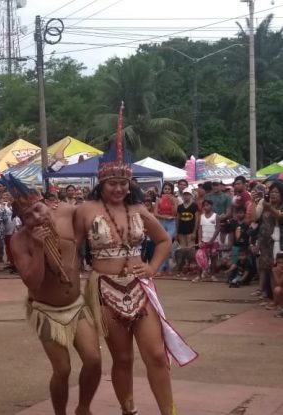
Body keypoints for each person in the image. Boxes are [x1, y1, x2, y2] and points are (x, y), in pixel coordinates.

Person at [74, 115, 197, 415]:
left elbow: (164, 241)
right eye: (111, 183)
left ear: (130, 183)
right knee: (124, 359)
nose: (118, 188)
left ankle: (169, 412)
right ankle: (128, 410)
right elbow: (73, 250)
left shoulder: (138, 208)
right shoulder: (85, 210)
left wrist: (153, 267)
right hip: (104, 290)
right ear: (100, 183)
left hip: (140, 288)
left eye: (122, 183)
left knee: (155, 354)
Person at [11, 186, 100, 415]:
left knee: (93, 360)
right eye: (28, 216)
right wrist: (39, 248)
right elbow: (32, 282)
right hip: (46, 310)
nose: (37, 217)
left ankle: (84, 408)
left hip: (76, 305)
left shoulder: (69, 214)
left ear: (47, 202)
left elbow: (95, 214)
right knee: (62, 369)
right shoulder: (19, 241)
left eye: (38, 209)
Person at [154, 182, 178, 275]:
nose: (167, 190)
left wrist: (172, 203)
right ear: (162, 190)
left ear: (171, 190)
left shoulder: (174, 199)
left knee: (166, 245)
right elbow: (155, 214)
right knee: (164, 246)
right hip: (161, 222)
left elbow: (174, 213)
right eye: (165, 189)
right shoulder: (158, 199)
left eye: (169, 189)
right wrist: (165, 217)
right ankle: (166, 268)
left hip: (171, 223)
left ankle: (161, 269)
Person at [195, 200, 220, 282]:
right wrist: (199, 240)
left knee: (213, 259)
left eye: (208, 205)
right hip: (204, 241)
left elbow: (217, 229)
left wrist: (212, 240)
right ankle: (199, 276)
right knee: (200, 257)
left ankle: (213, 275)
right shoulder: (201, 217)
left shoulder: (216, 216)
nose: (206, 207)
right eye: (204, 205)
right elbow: (200, 229)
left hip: (213, 241)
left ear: (211, 206)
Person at [175, 190, 198, 276]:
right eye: (184, 195)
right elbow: (177, 219)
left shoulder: (194, 206)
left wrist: (194, 232)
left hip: (191, 230)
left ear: (191, 196)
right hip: (181, 230)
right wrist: (177, 232)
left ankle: (193, 267)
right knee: (183, 250)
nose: (186, 196)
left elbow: (196, 219)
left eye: (188, 195)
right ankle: (185, 267)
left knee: (191, 250)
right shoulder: (180, 207)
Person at [272, 253, 283, 317]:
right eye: (279, 263)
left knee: (278, 289)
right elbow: (276, 284)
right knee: (277, 289)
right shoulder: (275, 270)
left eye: (282, 263)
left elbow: (279, 283)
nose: (281, 265)